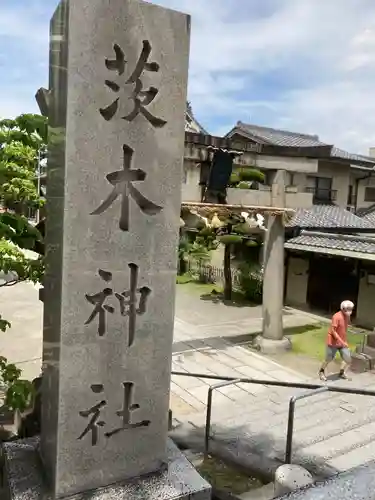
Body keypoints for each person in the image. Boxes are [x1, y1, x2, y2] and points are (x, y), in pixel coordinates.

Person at [318, 300, 354, 381]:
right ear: (343, 308)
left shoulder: (347, 316)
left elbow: (346, 326)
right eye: (348, 309)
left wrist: (343, 340)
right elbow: (333, 330)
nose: (349, 311)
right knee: (329, 359)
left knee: (348, 359)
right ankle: (321, 371)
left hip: (342, 342)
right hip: (333, 342)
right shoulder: (336, 316)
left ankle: (341, 372)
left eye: (351, 309)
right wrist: (340, 341)